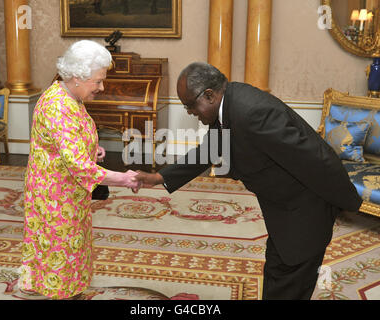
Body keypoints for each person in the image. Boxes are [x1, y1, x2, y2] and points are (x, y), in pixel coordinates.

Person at [134, 62, 363, 300]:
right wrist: (160, 177)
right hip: (283, 206)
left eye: (190, 106)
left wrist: (344, 201)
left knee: (291, 277)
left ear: (209, 95)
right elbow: (211, 150)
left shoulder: (252, 113)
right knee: (277, 266)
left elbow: (314, 159)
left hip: (305, 208)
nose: (191, 113)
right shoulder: (229, 104)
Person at [19, 40, 139, 299]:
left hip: (66, 188)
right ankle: (60, 292)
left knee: (68, 241)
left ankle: (61, 286)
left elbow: (68, 139)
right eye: (97, 81)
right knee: (59, 245)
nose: (102, 87)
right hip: (54, 192)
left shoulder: (70, 95)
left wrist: (91, 148)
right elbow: (77, 165)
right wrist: (123, 178)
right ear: (77, 77)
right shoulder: (59, 106)